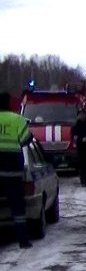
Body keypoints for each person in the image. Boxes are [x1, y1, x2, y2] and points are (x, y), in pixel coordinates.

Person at [0, 91, 35, 248]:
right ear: (9, 103)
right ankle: (22, 240)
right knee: (17, 206)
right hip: (12, 169)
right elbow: (27, 139)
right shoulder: (18, 120)